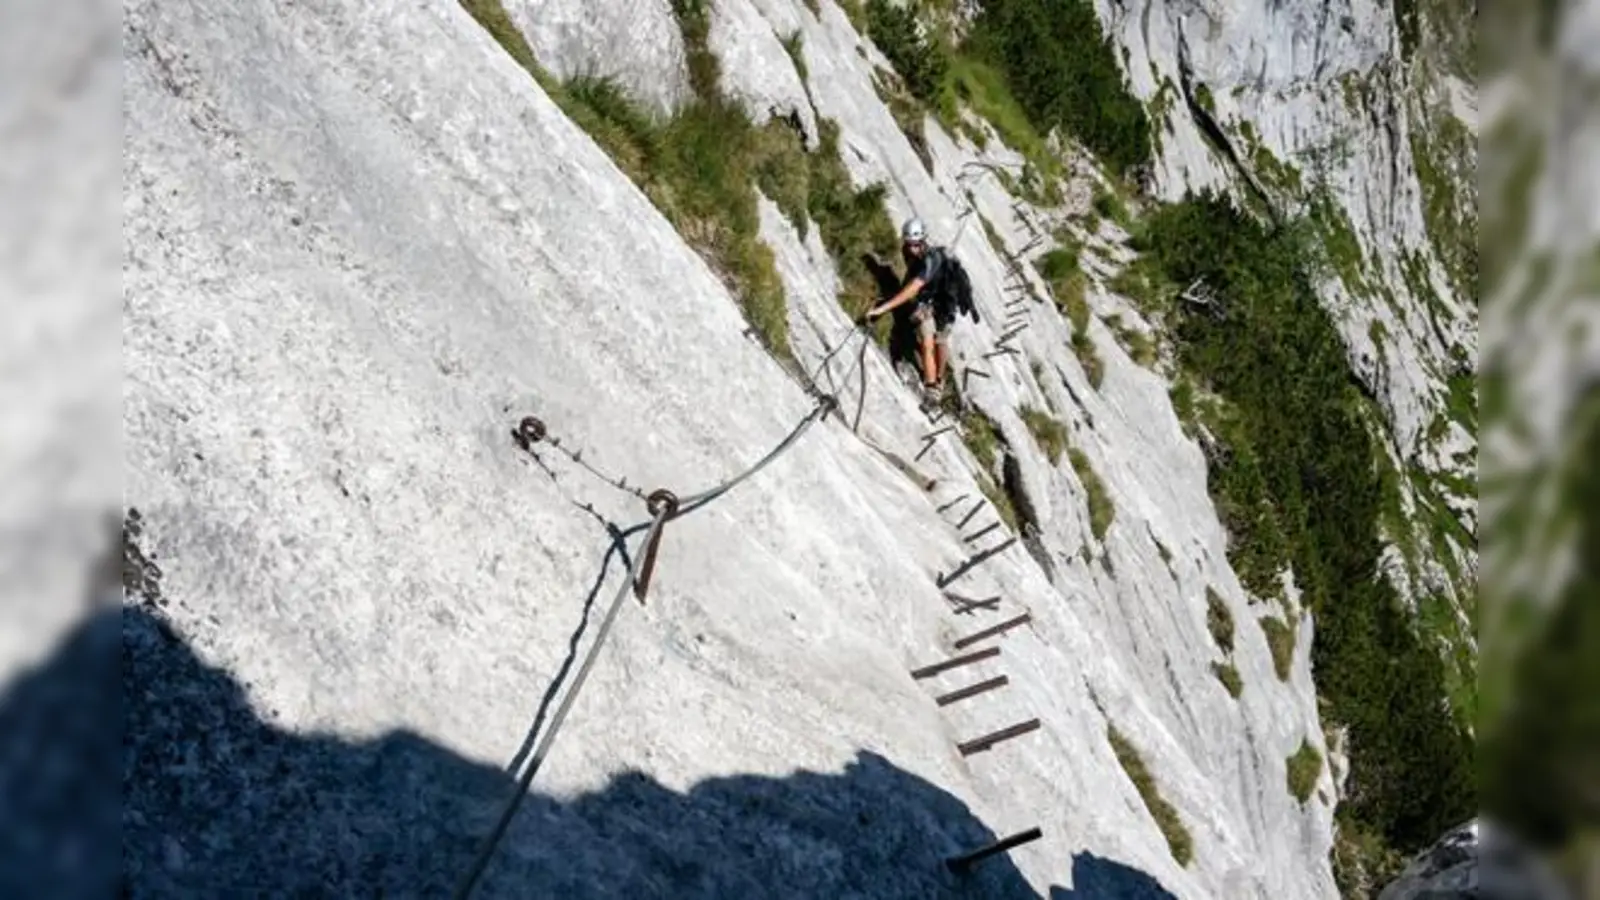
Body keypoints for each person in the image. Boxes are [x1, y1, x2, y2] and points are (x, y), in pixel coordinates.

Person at [865, 217, 972, 402]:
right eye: (909, 244)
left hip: (945, 304)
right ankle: (932, 387)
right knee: (926, 338)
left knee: (941, 340)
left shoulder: (932, 260)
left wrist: (883, 308)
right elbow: (910, 278)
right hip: (927, 301)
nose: (912, 248)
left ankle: (940, 378)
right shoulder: (908, 251)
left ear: (923, 241)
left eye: (915, 244)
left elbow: (912, 288)